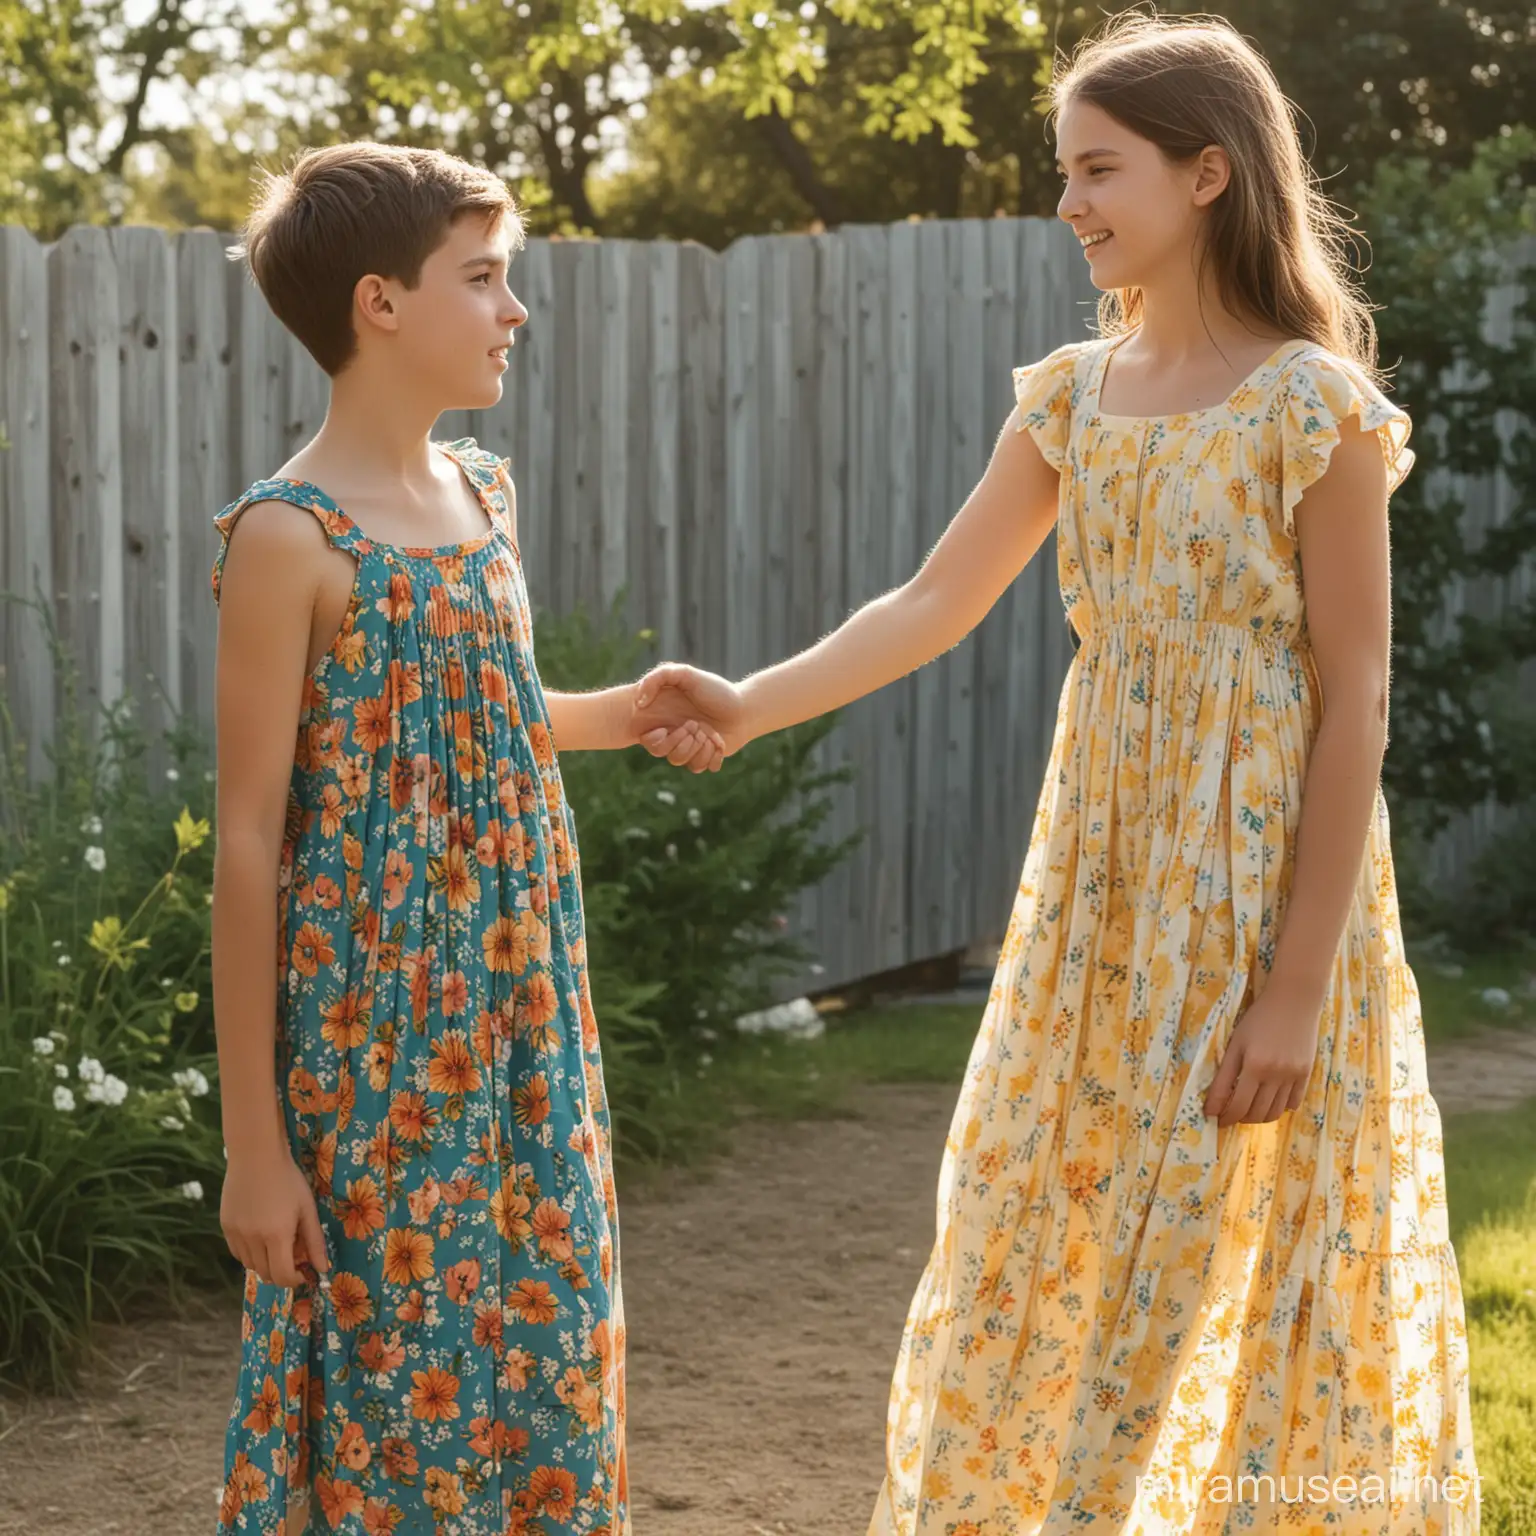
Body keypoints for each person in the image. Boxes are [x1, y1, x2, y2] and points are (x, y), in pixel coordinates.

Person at [634, 13, 1479, 1535]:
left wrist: (1294, 988)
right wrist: (748, 703)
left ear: (1207, 172)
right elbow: (928, 604)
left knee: (1255, 1232)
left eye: (1100, 169)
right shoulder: (1071, 399)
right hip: (1099, 877)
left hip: (1261, 883)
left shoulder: (1313, 405)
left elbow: (1355, 697)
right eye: (1064, 173)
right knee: (1043, 1205)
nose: (1071, 203)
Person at [208, 141, 718, 1536]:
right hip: (374, 1039)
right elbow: (246, 840)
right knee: (396, 1367)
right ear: (380, 303)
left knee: (546, 1344)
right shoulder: (286, 538)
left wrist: (633, 708)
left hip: (524, 1004)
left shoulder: (482, 497)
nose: (515, 309)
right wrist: (256, 1146)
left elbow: (485, 721)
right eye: (483, 278)